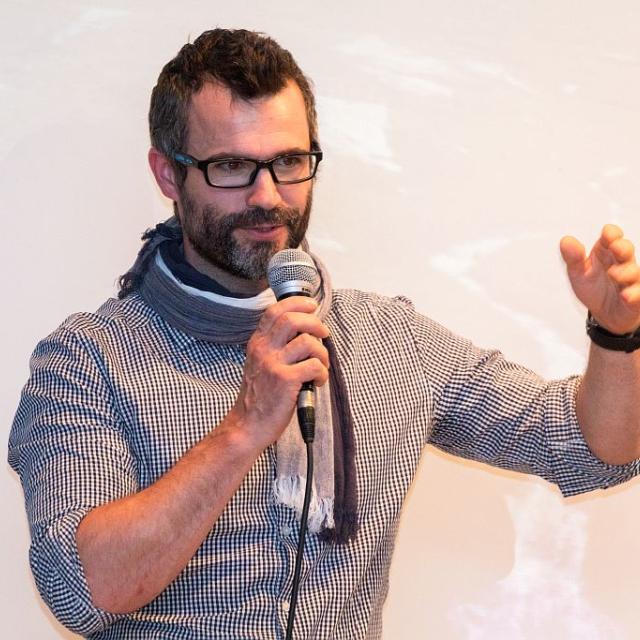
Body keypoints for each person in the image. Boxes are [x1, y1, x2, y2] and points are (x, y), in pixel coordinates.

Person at [8, 28, 640, 640]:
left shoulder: (390, 339)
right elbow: (81, 590)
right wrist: (245, 426)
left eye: (289, 162)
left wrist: (616, 337)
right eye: (231, 166)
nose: (268, 195)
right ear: (168, 174)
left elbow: (590, 447)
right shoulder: (87, 360)